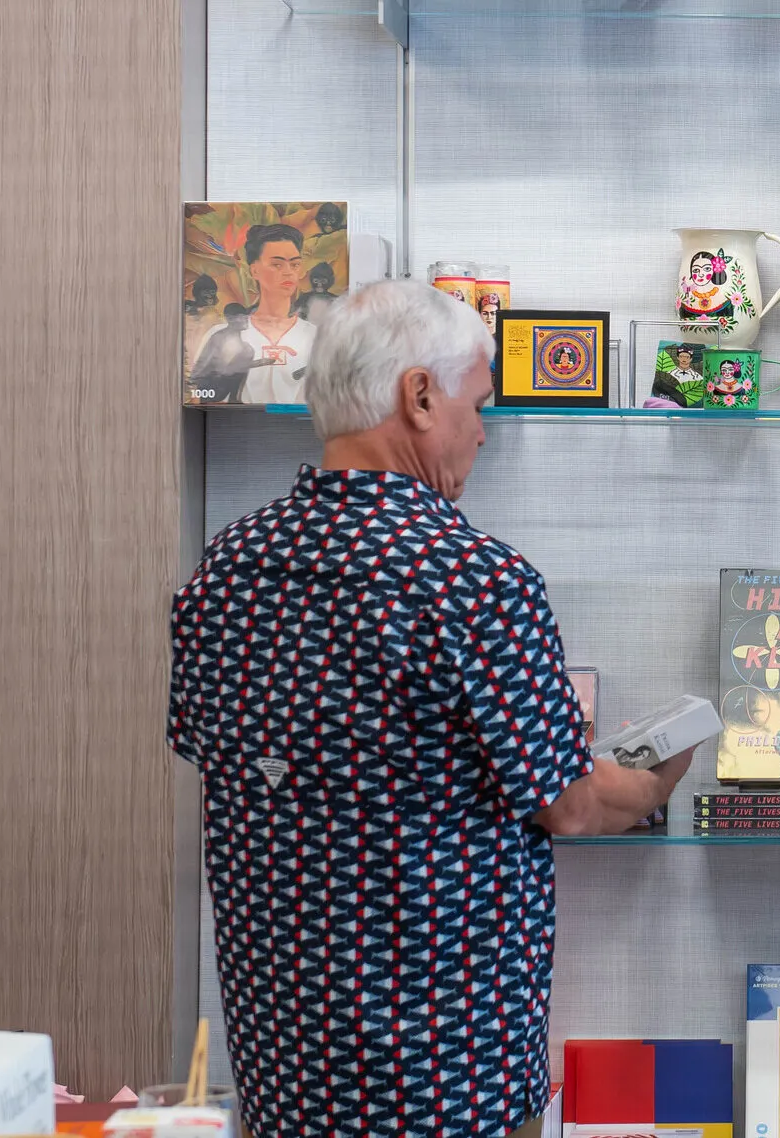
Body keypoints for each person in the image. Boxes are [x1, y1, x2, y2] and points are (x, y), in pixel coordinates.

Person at [166, 280, 691, 1138]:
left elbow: (222, 760)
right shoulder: (476, 580)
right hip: (447, 1078)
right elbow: (570, 803)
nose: (482, 429)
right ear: (418, 396)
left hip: (281, 1067)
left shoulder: (224, 567)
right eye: (477, 403)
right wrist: (657, 778)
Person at [217, 223, 316, 405]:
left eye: (294, 264)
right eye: (277, 264)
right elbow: (203, 394)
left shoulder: (318, 337)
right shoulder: (223, 336)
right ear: (254, 270)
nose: (288, 272)